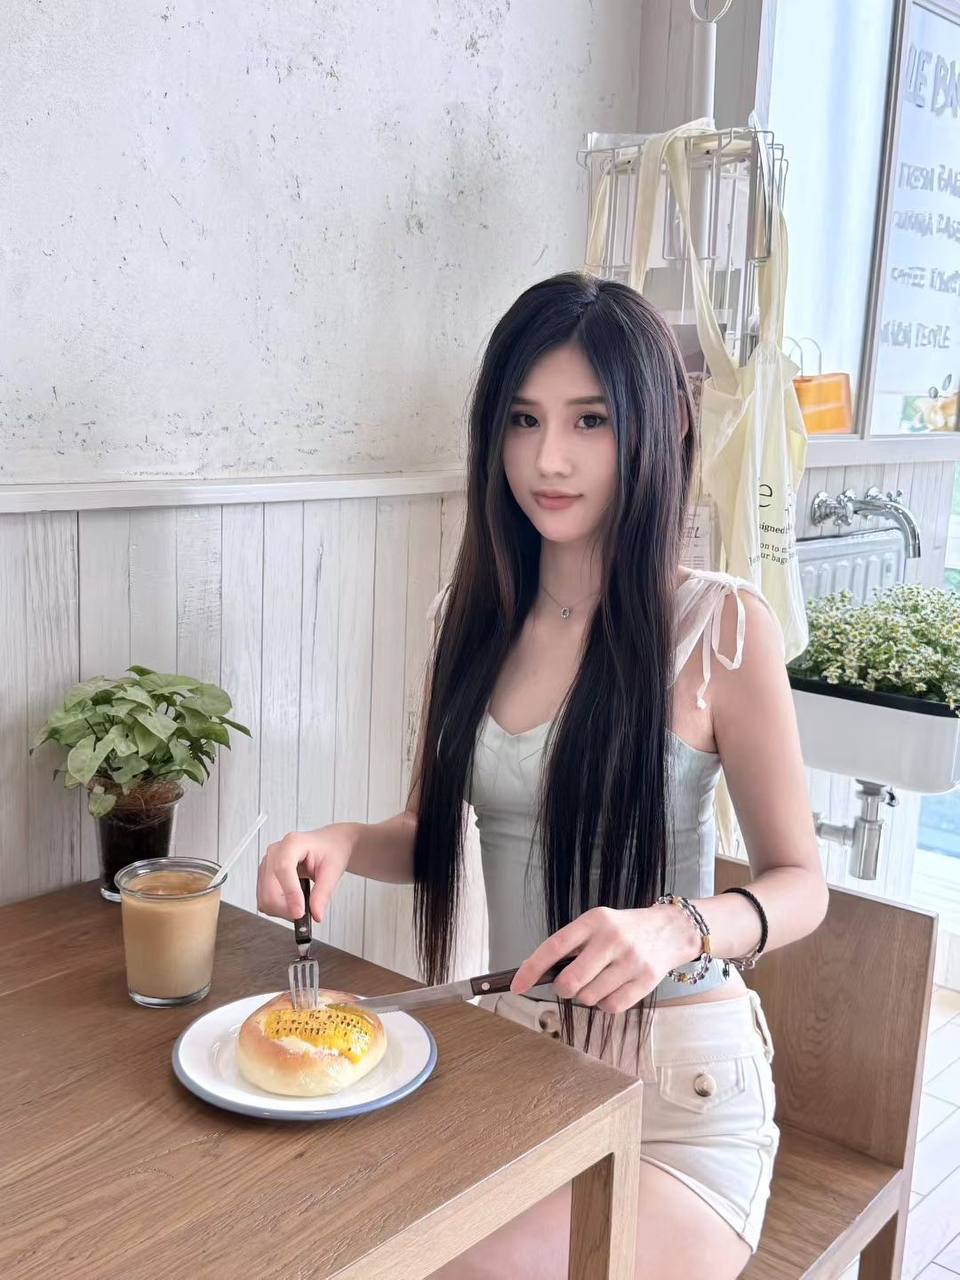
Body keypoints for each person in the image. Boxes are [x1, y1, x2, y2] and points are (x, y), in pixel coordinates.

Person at [257, 272, 827, 1279]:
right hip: (516, 1057)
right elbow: (428, 830)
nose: (548, 458)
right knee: (322, 1223)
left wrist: (678, 925)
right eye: (523, 419)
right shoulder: (467, 621)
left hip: (678, 1090)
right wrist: (340, 840)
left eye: (589, 420)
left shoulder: (721, 625)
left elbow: (801, 884)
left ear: (658, 426)